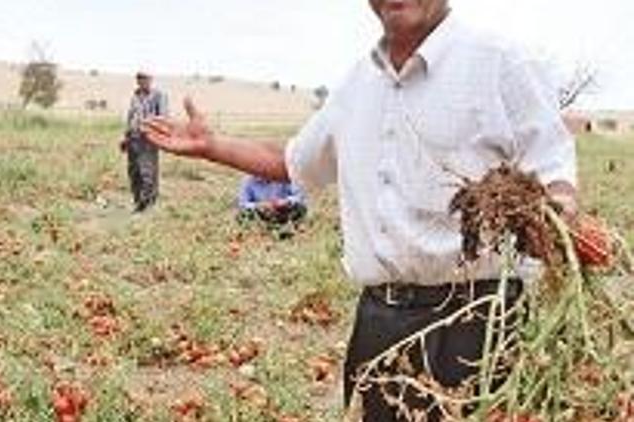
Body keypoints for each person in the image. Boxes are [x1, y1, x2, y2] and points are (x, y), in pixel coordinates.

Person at [141, 0, 581, 419]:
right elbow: (294, 163)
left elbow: (554, 169)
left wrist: (559, 211)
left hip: (481, 323)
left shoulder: (502, 63)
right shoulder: (356, 85)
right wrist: (213, 146)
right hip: (381, 323)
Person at [120, 71, 168, 213]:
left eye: (145, 78)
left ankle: (146, 206)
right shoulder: (135, 95)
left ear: (151, 79)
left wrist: (148, 127)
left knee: (147, 172)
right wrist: (125, 136)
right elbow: (131, 116)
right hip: (132, 137)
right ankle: (138, 203)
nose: (141, 81)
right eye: (139, 78)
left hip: (148, 139)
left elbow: (163, 118)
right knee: (134, 172)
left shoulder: (159, 95)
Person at [237, 175, 307, 226]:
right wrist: (260, 205)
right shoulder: (248, 181)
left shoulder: (284, 175)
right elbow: (242, 204)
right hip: (261, 214)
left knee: (300, 208)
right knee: (242, 215)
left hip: (283, 212)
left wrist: (285, 201)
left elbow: (299, 196)